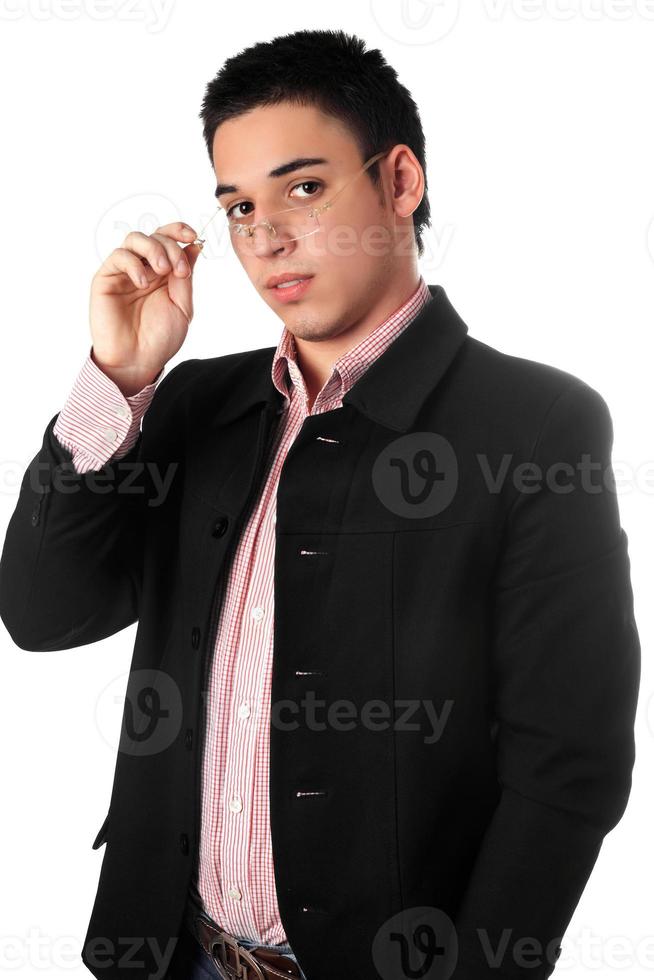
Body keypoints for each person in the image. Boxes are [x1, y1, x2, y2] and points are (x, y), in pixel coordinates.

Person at [0, 28, 640, 980]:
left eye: (304, 188)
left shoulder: (536, 423)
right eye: (238, 206)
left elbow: (569, 761)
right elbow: (44, 615)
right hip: (171, 951)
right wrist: (120, 381)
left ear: (400, 182)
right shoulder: (193, 404)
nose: (266, 239)